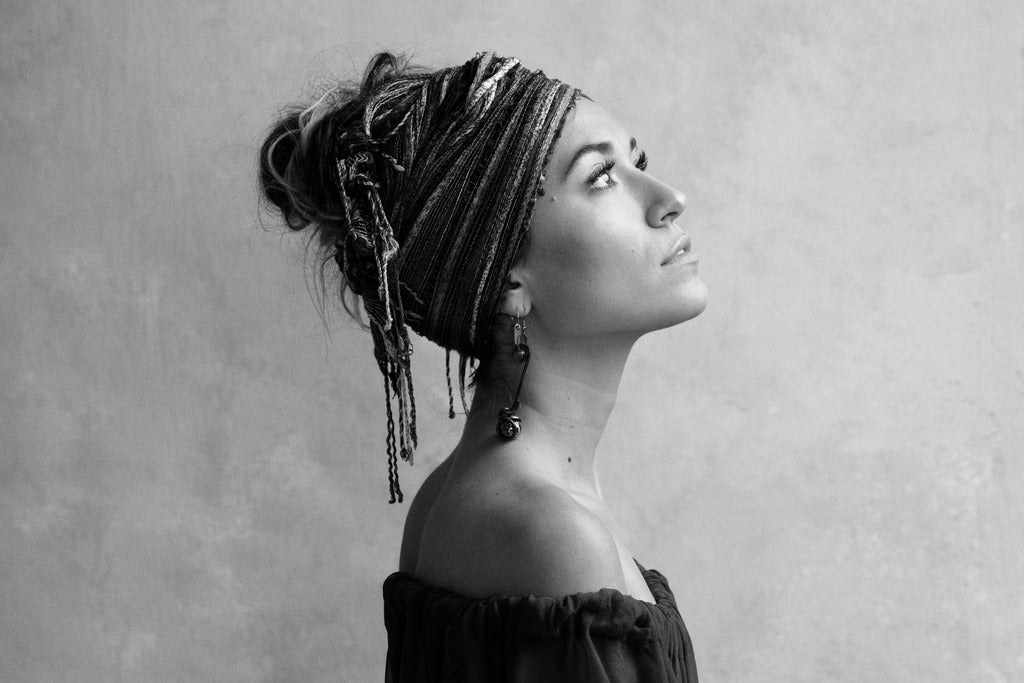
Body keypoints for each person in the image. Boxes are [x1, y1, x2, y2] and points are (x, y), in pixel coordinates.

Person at [258, 49, 704, 682]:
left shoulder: (462, 499)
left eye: (640, 163)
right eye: (603, 176)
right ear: (507, 274)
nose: (669, 200)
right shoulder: (551, 535)